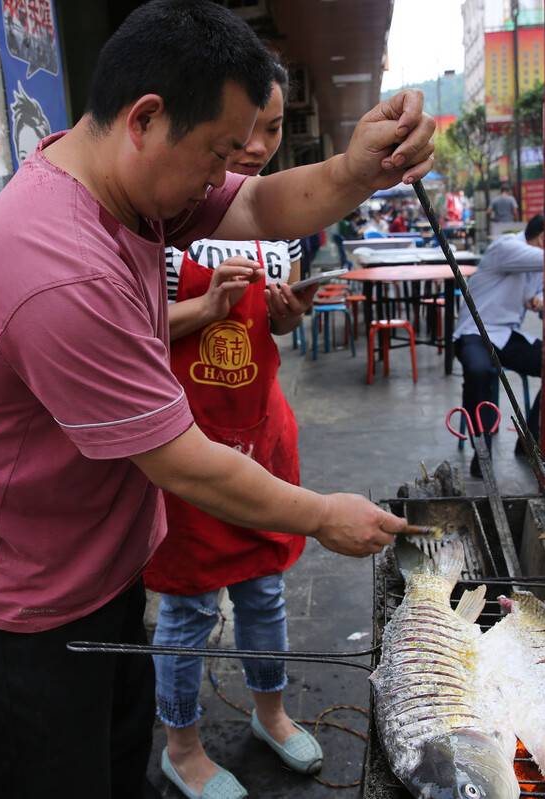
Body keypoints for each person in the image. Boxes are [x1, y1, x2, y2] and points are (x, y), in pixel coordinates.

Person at [0, 2, 436, 797]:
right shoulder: (59, 265)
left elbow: (262, 207)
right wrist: (322, 512)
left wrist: (355, 170)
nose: (225, 172)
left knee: (119, 763)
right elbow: (180, 459)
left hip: (97, 562)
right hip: (27, 598)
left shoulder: (124, 185)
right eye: (218, 151)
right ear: (146, 119)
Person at [142, 64, 323, 799]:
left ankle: (270, 715)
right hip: (186, 440)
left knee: (263, 591)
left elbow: (275, 326)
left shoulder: (283, 214)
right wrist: (208, 311)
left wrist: (285, 314)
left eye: (273, 128)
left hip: (260, 429)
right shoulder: (163, 211)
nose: (257, 145)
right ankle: (180, 746)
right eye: (245, 129)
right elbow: (132, 330)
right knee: (187, 606)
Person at [452, 213, 545, 477]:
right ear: (543, 238)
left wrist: (536, 298)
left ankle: (530, 440)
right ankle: (482, 451)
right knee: (479, 371)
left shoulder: (533, 259)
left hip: (507, 335)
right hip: (475, 333)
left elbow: (533, 291)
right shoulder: (506, 247)